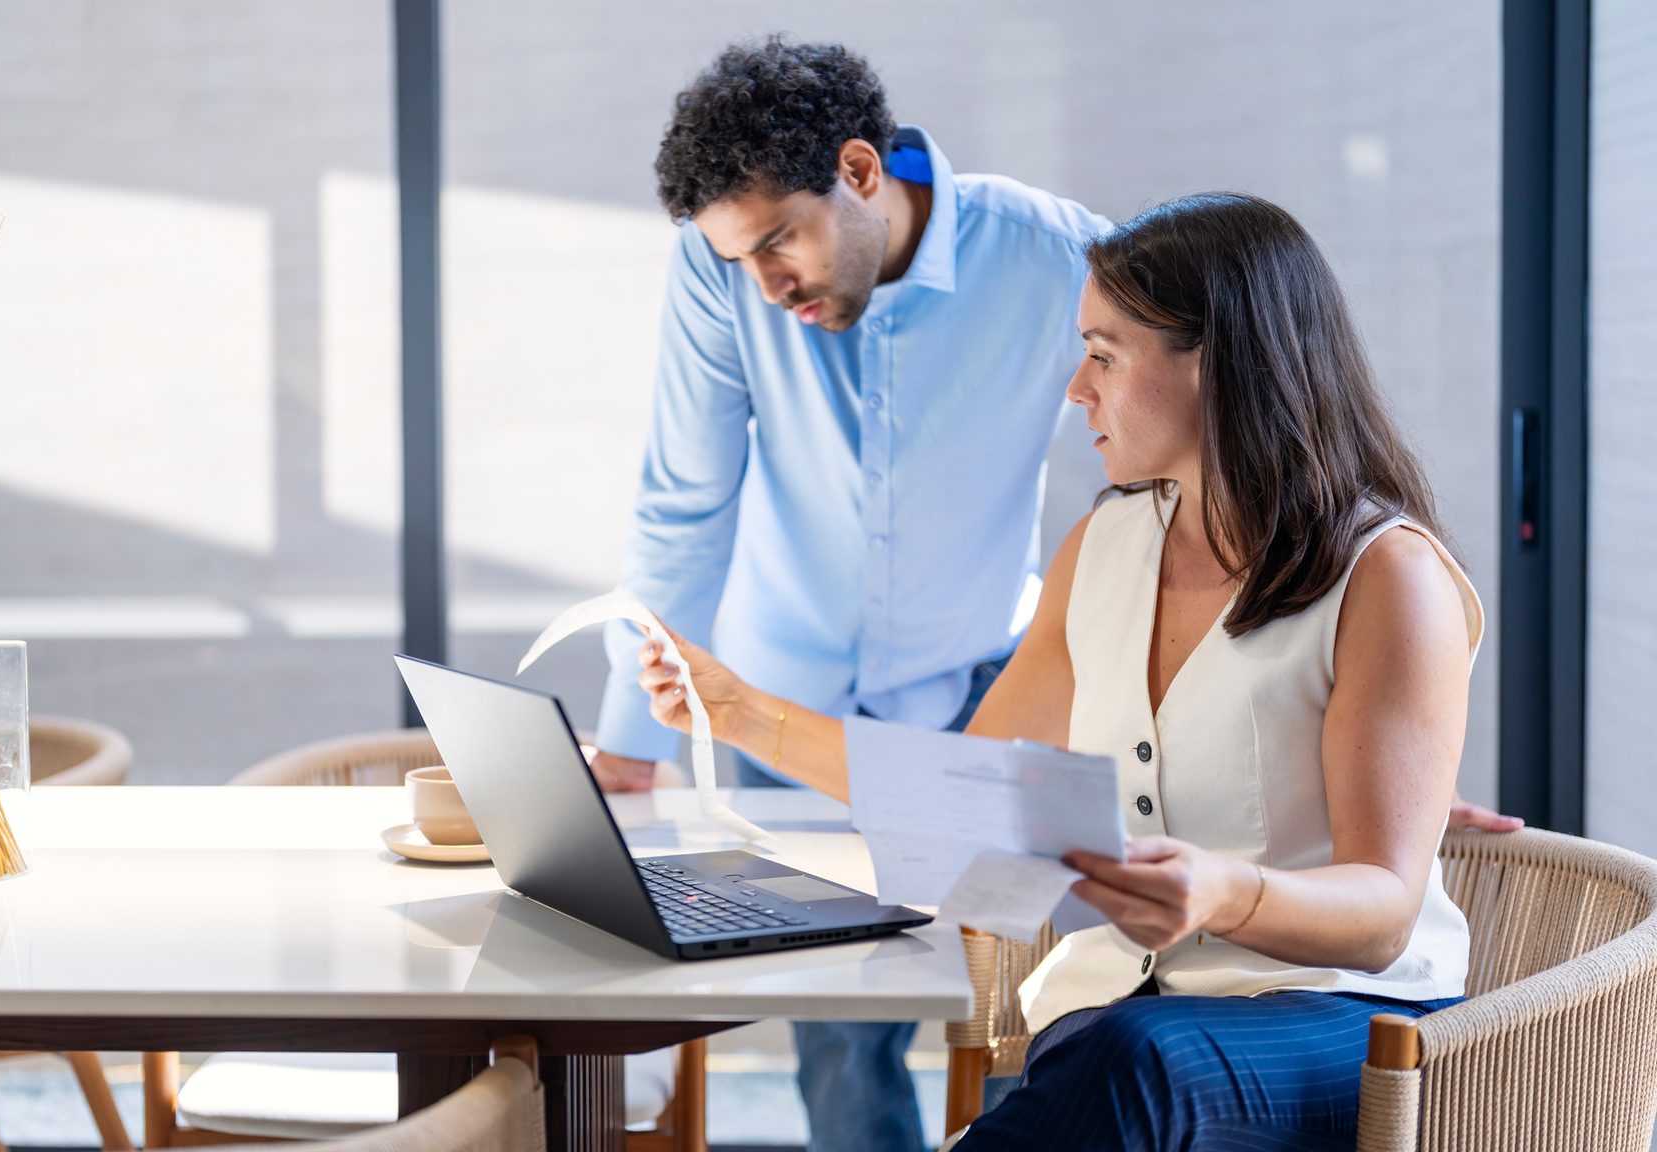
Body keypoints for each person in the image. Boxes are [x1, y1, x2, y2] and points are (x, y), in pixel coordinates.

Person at [636, 193, 1501, 1149]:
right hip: (1119, 1022)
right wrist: (734, 712)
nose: (1073, 389)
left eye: (1103, 353)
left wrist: (1225, 894)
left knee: (1127, 1066)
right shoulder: (1107, 546)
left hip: (1344, 1024)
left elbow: (1383, 914)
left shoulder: (1388, 575)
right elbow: (952, 788)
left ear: (1214, 362)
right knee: (1110, 1061)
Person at [590, 36, 1113, 1152]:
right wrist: (629, 738)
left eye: (782, 240)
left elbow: (1225, 445)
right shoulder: (721, 274)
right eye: (744, 260)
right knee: (841, 1030)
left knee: (1057, 996)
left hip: (982, 690)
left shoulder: (1060, 257)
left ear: (862, 171)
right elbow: (688, 502)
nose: (770, 289)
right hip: (788, 706)